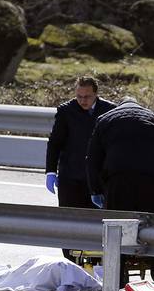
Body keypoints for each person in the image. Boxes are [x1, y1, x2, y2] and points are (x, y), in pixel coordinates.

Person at [85, 98, 154, 285]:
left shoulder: (105, 119)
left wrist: (96, 189)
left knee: (118, 231)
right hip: (151, 179)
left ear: (119, 106)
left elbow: (92, 159)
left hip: (119, 180)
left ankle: (117, 280)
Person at [44, 76, 116, 260]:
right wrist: (51, 171)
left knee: (98, 222)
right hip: (71, 176)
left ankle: (98, 261)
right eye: (79, 96)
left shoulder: (109, 110)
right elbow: (55, 143)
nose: (83, 101)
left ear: (96, 94)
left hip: (99, 179)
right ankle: (71, 261)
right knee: (69, 221)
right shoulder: (66, 111)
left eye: (87, 96)